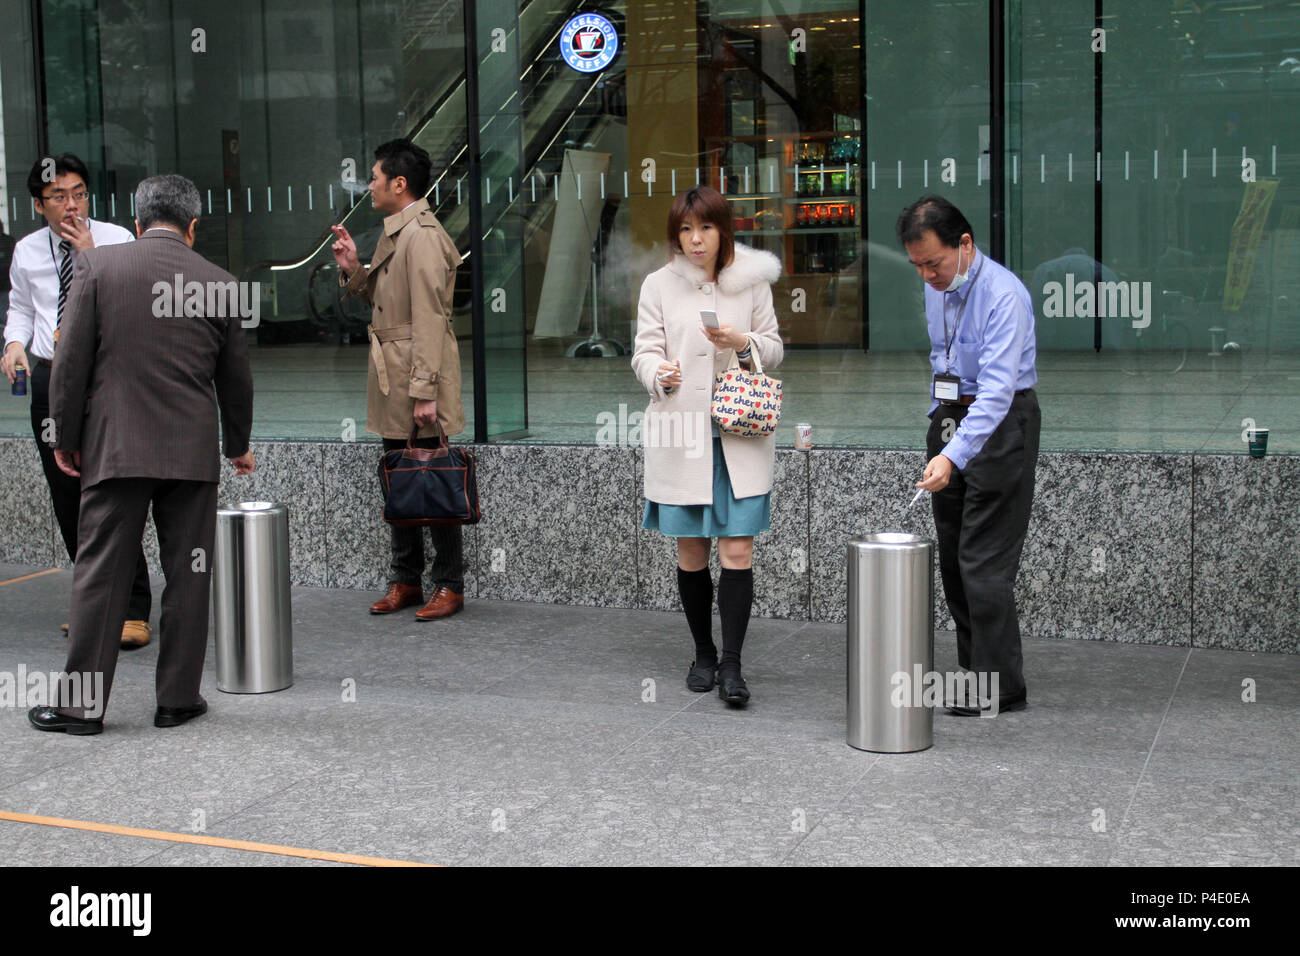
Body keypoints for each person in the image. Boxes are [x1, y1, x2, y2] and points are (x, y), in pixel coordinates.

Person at [27, 174, 255, 735]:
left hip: (116, 447)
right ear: (193, 226)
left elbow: (70, 361)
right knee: (190, 574)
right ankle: (177, 700)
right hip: (190, 452)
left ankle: (81, 708)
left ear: (136, 221)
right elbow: (237, 381)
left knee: (100, 574)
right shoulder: (221, 284)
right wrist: (238, 445)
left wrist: (64, 437)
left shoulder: (99, 269)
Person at [632, 185, 782, 706]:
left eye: (706, 228)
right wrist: (660, 374)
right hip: (681, 434)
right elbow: (644, 351)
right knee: (692, 549)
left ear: (724, 231)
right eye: (686, 230)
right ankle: (703, 653)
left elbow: (774, 348)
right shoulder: (658, 284)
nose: (696, 240)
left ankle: (734, 664)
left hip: (739, 432)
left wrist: (743, 343)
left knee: (738, 549)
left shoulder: (753, 283)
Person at [2, 154, 154, 648]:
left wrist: (89, 254)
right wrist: (13, 345)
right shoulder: (26, 251)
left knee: (113, 490)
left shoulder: (117, 240)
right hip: (50, 381)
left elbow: (131, 304)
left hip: (107, 379)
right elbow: (22, 308)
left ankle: (132, 609)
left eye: (79, 194)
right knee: (69, 495)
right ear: (38, 204)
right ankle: (96, 605)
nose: (71, 205)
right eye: (59, 197)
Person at [897, 195, 1040, 716]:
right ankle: (973, 671)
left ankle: (1002, 686)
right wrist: (939, 425)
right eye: (917, 266)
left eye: (933, 263)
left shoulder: (1005, 296)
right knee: (956, 555)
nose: (928, 276)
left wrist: (954, 455)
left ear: (965, 244)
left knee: (984, 559)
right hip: (953, 416)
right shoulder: (937, 287)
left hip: (1002, 424)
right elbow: (943, 356)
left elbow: (999, 392)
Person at [329, 138, 467, 621]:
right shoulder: (401, 232)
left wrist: (425, 391)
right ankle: (406, 579)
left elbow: (429, 317)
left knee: (433, 478)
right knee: (402, 479)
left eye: (375, 177)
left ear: (399, 183)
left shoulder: (422, 236)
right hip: (397, 379)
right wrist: (354, 270)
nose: (370, 185)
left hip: (414, 378)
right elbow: (389, 305)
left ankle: (449, 583)